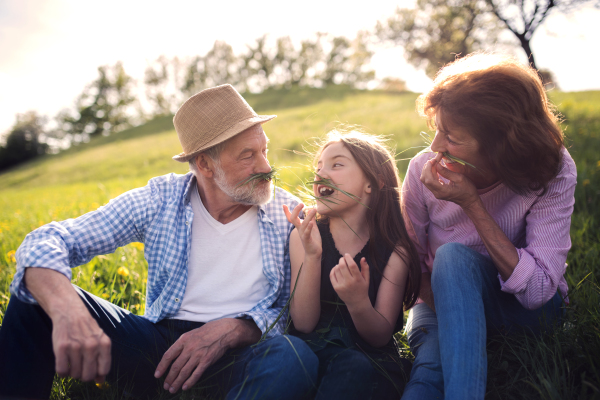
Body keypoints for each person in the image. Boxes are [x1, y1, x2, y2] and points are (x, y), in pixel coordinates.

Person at [0, 84, 318, 399]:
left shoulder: (287, 214)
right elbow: (47, 240)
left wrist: (236, 329)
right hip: (160, 353)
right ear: (206, 164)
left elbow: (291, 311)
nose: (265, 167)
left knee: (293, 356)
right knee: (33, 297)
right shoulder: (160, 200)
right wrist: (67, 310)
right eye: (247, 156)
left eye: (264, 149)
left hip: (245, 354)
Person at [400, 53, 576, 400]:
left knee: (452, 256)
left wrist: (472, 205)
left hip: (525, 310)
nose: (435, 147)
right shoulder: (424, 171)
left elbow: (538, 291)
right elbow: (412, 263)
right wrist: (457, 314)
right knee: (428, 376)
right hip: (438, 301)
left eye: (450, 136)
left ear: (500, 145)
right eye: (437, 131)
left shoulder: (552, 169)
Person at [283, 130, 422, 399]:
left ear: (372, 183)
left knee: (355, 367)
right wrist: (313, 257)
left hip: (369, 361)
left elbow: (380, 336)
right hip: (315, 352)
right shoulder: (305, 236)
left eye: (336, 164)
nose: (321, 173)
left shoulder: (395, 250)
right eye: (319, 167)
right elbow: (303, 323)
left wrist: (358, 302)